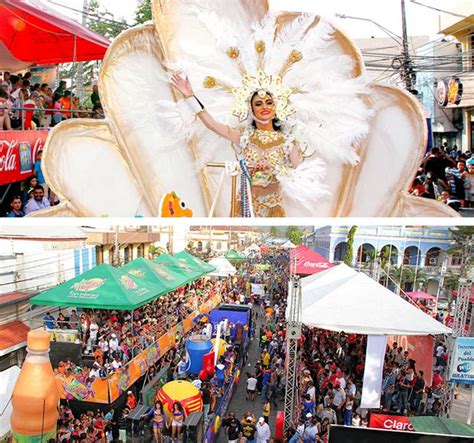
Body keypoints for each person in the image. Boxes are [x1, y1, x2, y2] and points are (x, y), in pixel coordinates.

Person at [171, 73, 327, 218]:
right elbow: (212, 125)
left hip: (272, 211)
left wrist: (275, 169)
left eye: (269, 102)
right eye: (258, 103)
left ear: (275, 107)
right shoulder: (245, 137)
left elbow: (302, 177)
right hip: (244, 207)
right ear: (252, 110)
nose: (264, 107)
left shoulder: (287, 143)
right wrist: (190, 97)